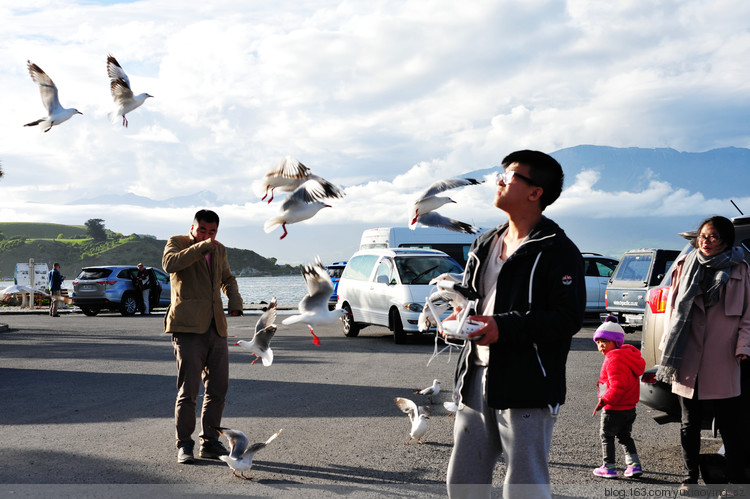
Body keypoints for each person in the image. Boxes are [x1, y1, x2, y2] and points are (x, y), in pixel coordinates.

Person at [445, 150, 586, 499]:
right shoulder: (484, 242)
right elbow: (470, 299)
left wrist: (502, 327)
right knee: (463, 482)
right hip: (475, 374)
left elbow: (567, 318)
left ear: (535, 192)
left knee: (524, 485)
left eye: (509, 176)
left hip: (528, 382)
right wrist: (457, 317)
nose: (499, 180)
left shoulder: (558, 250)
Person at [656, 215, 750, 489]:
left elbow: (747, 314)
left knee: (730, 424)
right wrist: (667, 346)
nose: (706, 242)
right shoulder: (685, 264)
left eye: (713, 237)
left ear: (726, 241)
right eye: (703, 237)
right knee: (688, 422)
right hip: (687, 355)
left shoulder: (741, 268)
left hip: (723, 355)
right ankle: (690, 479)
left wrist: (744, 345)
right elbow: (673, 308)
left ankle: (733, 483)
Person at [162, 209, 244, 465]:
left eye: (212, 232)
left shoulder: (219, 250)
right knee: (189, 390)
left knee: (218, 388)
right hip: (187, 327)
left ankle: (209, 443)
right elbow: (170, 264)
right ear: (192, 227)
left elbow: (227, 278)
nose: (207, 235)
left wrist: (235, 298)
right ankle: (184, 445)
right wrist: (201, 247)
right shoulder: (177, 242)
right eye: (202, 230)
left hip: (216, 327)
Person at [591, 316, 646, 479]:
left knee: (606, 436)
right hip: (629, 408)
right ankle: (633, 465)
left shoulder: (613, 359)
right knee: (624, 436)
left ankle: (609, 467)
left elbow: (618, 385)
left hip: (614, 408)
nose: (601, 346)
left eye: (605, 342)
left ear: (615, 342)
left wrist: (605, 399)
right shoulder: (626, 357)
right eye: (598, 342)